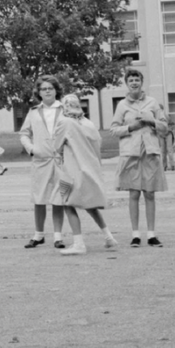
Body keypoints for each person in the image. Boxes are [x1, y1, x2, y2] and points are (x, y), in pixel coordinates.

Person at [50, 90, 117, 254]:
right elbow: (97, 144)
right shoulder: (88, 123)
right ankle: (108, 236)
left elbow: (56, 145)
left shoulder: (65, 122)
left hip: (72, 170)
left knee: (67, 203)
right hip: (90, 169)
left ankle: (78, 243)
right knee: (90, 205)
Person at [110, 67, 169, 245]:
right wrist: (130, 127)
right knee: (134, 194)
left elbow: (165, 127)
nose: (134, 83)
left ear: (141, 82)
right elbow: (113, 129)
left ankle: (151, 234)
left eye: (137, 80)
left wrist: (152, 121)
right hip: (131, 153)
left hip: (150, 151)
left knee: (149, 193)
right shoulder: (122, 105)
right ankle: (135, 234)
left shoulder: (152, 102)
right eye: (131, 81)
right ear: (127, 84)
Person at [18, 76, 64, 247]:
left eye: (50, 88)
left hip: (61, 159)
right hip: (41, 159)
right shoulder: (34, 112)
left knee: (58, 197)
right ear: (39, 92)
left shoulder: (65, 109)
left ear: (56, 90)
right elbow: (24, 133)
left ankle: (58, 236)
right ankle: (38, 234)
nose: (47, 91)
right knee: (39, 197)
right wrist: (32, 149)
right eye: (44, 89)